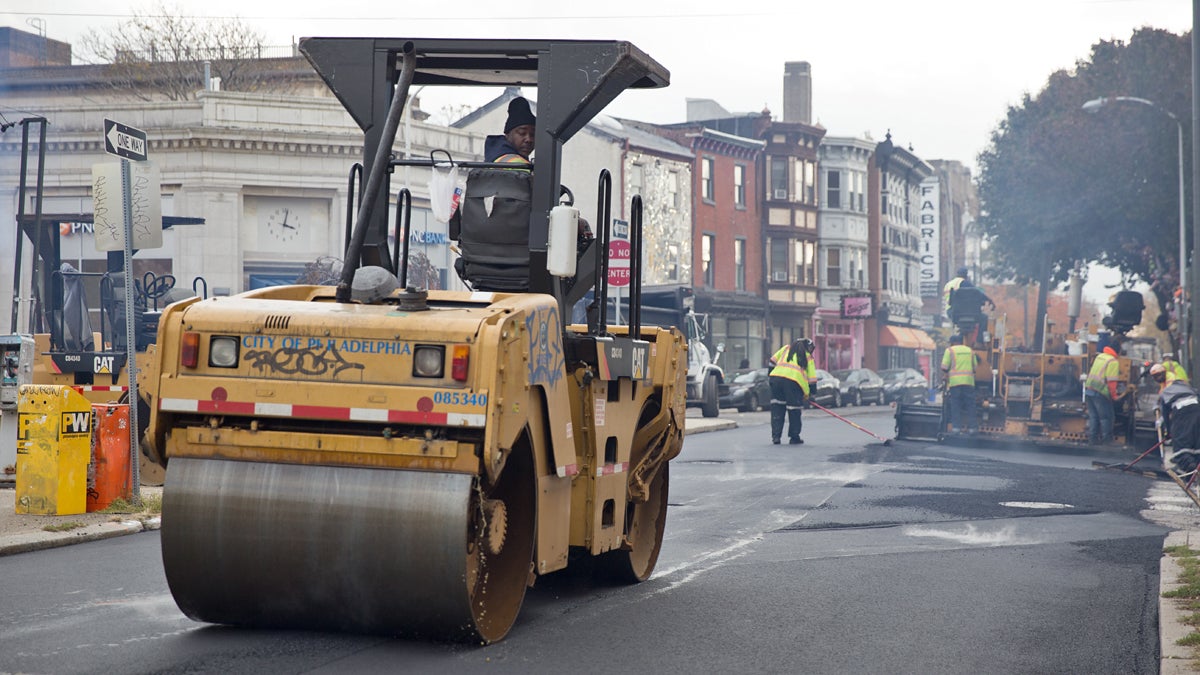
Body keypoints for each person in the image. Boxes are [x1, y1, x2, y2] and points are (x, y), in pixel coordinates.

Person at [768, 337, 817, 445]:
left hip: (776, 380)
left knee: (777, 409)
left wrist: (771, 376)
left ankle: (776, 437)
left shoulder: (785, 349)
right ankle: (794, 437)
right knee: (794, 410)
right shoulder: (808, 357)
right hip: (794, 383)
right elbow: (812, 378)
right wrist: (812, 394)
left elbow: (772, 362)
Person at [1152, 363, 1200, 473]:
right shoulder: (1186, 386)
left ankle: (1187, 463)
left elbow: (1165, 414)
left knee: (1180, 438)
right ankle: (1196, 463)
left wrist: (1169, 433)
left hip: (1181, 409)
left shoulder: (1166, 390)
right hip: (1197, 408)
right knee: (1196, 437)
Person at [940, 334, 980, 434]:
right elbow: (975, 368)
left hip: (955, 383)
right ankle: (973, 429)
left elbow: (944, 367)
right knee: (970, 405)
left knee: (956, 405)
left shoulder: (950, 351)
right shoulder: (970, 351)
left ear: (953, 342)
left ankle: (956, 428)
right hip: (969, 382)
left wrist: (946, 375)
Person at [1084, 345, 1123, 445]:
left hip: (1089, 390)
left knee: (1094, 417)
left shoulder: (1100, 356)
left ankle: (1092, 440)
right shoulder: (1112, 361)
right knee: (1106, 417)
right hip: (1100, 392)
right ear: (1118, 352)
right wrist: (1114, 396)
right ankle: (1107, 442)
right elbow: (1112, 382)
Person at [484, 96, 535, 165]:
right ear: (507, 134)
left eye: (533, 135)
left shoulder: (496, 154)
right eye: (522, 133)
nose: (528, 140)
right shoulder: (513, 162)